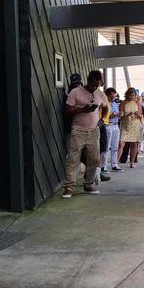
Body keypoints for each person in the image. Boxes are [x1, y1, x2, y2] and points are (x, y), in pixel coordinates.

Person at [62, 70, 109, 198]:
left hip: (94, 131)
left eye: (97, 85)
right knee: (73, 159)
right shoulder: (75, 92)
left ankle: (88, 184)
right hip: (78, 130)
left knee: (94, 159)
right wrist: (83, 109)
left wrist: (102, 120)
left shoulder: (100, 94)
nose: (94, 87)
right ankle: (68, 187)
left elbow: (105, 107)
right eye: (93, 84)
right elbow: (68, 110)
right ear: (88, 80)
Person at [118, 88, 144, 169]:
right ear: (127, 94)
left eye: (133, 95)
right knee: (121, 143)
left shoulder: (137, 103)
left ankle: (132, 162)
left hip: (135, 125)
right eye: (130, 95)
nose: (132, 97)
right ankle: (116, 162)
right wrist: (126, 115)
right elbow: (120, 116)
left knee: (134, 144)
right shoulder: (123, 103)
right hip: (125, 125)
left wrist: (137, 115)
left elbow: (141, 115)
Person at [101, 87, 123, 173]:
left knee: (115, 147)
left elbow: (117, 114)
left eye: (114, 96)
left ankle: (114, 165)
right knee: (106, 147)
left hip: (115, 125)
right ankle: (104, 166)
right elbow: (105, 116)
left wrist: (120, 114)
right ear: (107, 95)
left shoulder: (115, 103)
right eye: (111, 96)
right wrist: (113, 115)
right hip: (108, 125)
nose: (113, 98)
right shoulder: (105, 103)